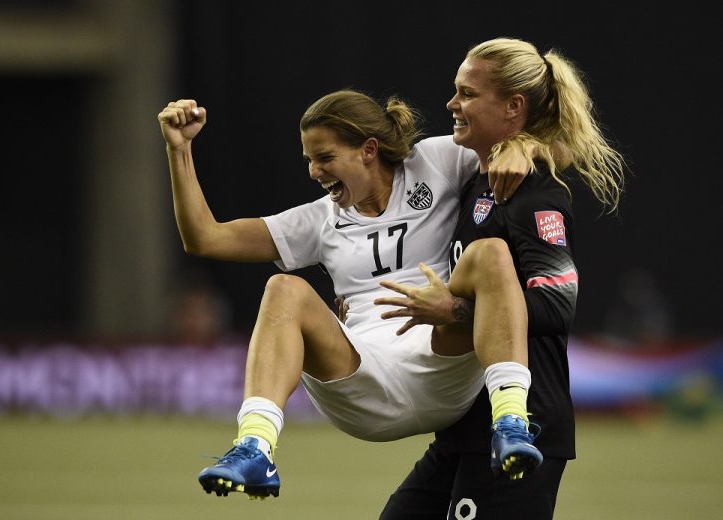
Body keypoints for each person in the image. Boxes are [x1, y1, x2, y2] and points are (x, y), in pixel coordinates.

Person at [157, 89, 547, 499]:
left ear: (368, 149)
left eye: (324, 157)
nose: (313, 171)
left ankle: (509, 422)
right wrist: (179, 149)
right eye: (308, 159)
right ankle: (255, 445)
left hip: (443, 365)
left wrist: (523, 147)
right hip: (362, 382)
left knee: (491, 253)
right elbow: (205, 238)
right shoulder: (318, 220)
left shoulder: (435, 160)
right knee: (283, 288)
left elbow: (534, 138)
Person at [377, 37, 626, 520]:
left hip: (523, 425)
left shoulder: (534, 193)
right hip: (465, 426)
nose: (451, 104)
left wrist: (454, 310)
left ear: (514, 107)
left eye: (467, 94)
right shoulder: (478, 178)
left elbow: (557, 305)